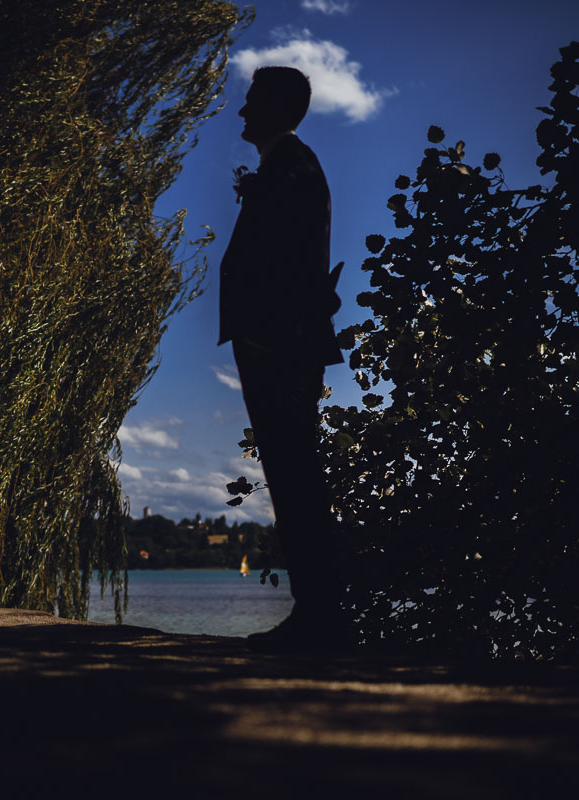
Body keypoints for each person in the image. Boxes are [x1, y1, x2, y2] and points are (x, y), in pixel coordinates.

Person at [218, 67, 346, 651]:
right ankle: (317, 613)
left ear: (277, 107)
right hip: (275, 340)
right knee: (292, 471)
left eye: (251, 102)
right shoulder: (288, 166)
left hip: (279, 344)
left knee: (295, 474)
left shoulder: (293, 167)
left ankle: (320, 617)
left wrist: (271, 335)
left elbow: (290, 263)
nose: (242, 113)